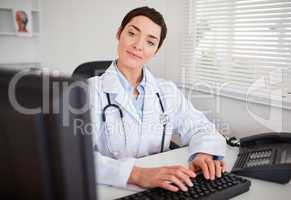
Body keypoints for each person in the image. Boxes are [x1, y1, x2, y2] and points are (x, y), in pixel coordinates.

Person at [88, 6, 226, 192]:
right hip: (111, 189)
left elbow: (200, 127)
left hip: (164, 186)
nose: (138, 45)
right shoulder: (88, 91)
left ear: (157, 50)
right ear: (119, 33)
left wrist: (203, 153)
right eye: (132, 33)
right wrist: (136, 174)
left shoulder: (166, 91)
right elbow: (72, 156)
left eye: (150, 42)